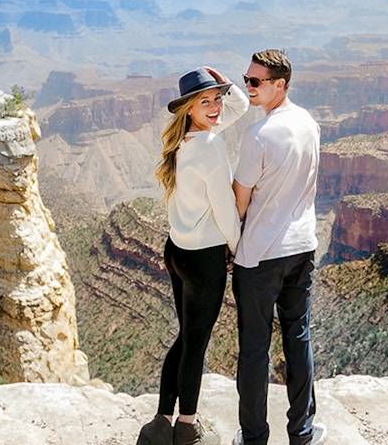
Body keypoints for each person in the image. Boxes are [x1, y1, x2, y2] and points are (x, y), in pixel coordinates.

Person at [137, 66, 249, 445]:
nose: (216, 106)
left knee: (186, 338)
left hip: (177, 252)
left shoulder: (183, 140)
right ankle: (187, 427)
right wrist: (238, 248)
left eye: (217, 98)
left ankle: (160, 423)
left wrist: (224, 86)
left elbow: (238, 109)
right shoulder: (211, 146)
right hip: (204, 260)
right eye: (206, 101)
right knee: (195, 345)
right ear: (188, 107)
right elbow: (224, 207)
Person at [230, 49, 325, 445]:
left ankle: (254, 438)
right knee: (297, 336)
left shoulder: (258, 136)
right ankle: (301, 432)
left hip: (261, 256)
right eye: (246, 80)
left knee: (254, 348)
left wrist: (230, 246)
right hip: (302, 248)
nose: (248, 87)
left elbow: (240, 199)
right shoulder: (309, 123)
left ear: (279, 84)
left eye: (256, 82)